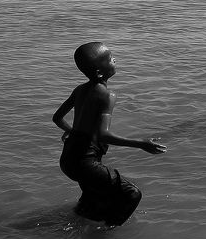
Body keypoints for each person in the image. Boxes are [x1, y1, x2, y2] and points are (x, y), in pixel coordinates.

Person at [52, 42, 166, 226]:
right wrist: (141, 144)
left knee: (93, 196)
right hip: (86, 162)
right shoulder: (107, 95)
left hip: (68, 159)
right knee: (132, 193)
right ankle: (105, 234)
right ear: (99, 72)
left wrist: (73, 132)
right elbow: (103, 135)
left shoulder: (80, 90)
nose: (115, 59)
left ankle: (78, 223)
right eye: (110, 59)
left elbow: (57, 118)